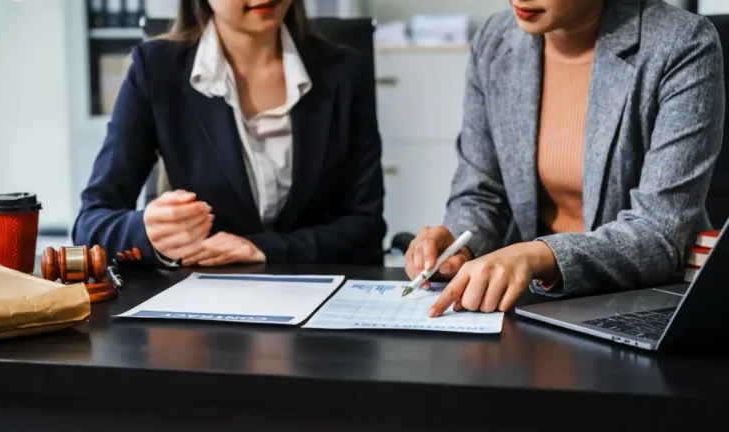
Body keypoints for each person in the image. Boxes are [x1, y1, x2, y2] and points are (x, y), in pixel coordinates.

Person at [405, 0, 725, 317]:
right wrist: (457, 246)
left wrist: (540, 256)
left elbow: (659, 233)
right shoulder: (494, 40)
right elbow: (481, 193)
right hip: (535, 304)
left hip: (645, 304)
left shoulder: (681, 41)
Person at [73, 0, 386, 267]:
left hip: (319, 301)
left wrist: (265, 249)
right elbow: (91, 225)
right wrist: (146, 232)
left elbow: (366, 226)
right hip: (203, 302)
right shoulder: (155, 69)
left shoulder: (344, 71)